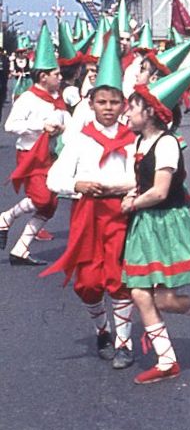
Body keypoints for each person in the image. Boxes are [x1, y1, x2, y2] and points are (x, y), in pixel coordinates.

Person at [121, 59, 190, 384]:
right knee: (139, 293)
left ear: (150, 112)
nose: (128, 113)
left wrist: (132, 203)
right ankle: (167, 361)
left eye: (133, 108)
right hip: (144, 222)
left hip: (165, 222)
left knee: (164, 299)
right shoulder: (140, 142)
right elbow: (136, 182)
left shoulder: (166, 144)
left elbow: (160, 191)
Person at [42, 45, 137, 368]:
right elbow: (54, 179)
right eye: (102, 102)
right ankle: (102, 330)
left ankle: (124, 343)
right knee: (87, 282)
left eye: (114, 102)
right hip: (88, 214)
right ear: (91, 103)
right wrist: (78, 185)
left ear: (123, 104)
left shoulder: (132, 139)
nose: (108, 108)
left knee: (119, 278)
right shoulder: (80, 139)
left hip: (121, 213)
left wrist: (124, 188)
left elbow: (142, 178)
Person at [1, 24, 66, 264]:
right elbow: (11, 125)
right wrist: (41, 126)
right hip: (30, 154)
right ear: (43, 76)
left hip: (51, 155)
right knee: (41, 198)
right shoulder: (28, 98)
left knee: (50, 206)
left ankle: (21, 249)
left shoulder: (57, 99)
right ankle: (6, 217)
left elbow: (64, 120)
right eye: (56, 74)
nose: (60, 78)